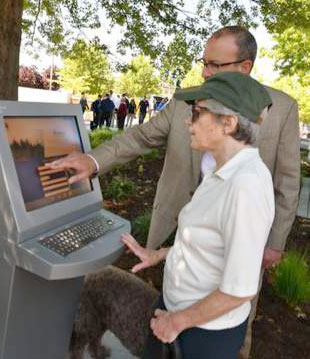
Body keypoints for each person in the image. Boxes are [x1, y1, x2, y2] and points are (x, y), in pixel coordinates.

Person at [48, 26, 300, 358]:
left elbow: (287, 183)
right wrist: (93, 160)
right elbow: (138, 137)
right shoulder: (189, 104)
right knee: (166, 323)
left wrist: (274, 244)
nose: (205, 72)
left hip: (221, 298)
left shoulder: (270, 132)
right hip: (185, 246)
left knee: (227, 336)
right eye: (203, 62)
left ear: (244, 68)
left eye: (215, 65)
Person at [122, 71, 274, 359]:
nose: (186, 121)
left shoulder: (245, 186)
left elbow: (239, 290)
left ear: (227, 123)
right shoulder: (220, 170)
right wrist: (160, 254)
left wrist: (176, 322)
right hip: (182, 314)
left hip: (201, 334)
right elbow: (208, 241)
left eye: (196, 112)